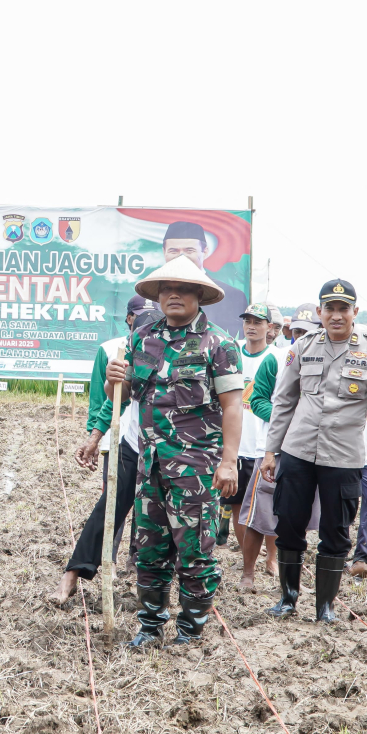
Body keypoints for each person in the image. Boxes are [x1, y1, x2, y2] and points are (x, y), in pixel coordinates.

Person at [107, 256, 243, 647]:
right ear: (158, 297)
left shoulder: (219, 344)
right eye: (167, 289)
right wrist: (115, 380)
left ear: (199, 295)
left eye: (183, 289)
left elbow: (233, 407)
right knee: (148, 550)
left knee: (195, 553)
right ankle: (149, 627)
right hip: (149, 465)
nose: (174, 295)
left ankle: (190, 630)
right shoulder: (141, 337)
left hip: (195, 468)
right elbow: (125, 395)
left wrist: (228, 462)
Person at [260, 279, 367, 622]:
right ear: (319, 312)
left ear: (355, 312)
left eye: (344, 309)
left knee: (335, 529)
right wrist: (272, 451)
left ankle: (325, 606)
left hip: (343, 455)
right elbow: (284, 401)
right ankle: (287, 598)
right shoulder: (303, 345)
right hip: (298, 450)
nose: (337, 315)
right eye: (330, 308)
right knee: (289, 523)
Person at [50, 297, 158, 607]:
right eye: (140, 322)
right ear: (130, 322)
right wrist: (94, 437)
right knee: (108, 505)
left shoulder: (181, 347)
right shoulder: (123, 351)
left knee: (155, 517)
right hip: (133, 442)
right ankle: (73, 573)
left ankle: (150, 588)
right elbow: (115, 399)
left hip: (171, 451)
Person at [236, 303, 321, 590]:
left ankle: (287, 577)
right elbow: (257, 399)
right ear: (288, 332)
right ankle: (248, 573)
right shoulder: (276, 360)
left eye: (308, 332)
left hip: (308, 452)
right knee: (258, 515)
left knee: (294, 517)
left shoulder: (328, 362)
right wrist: (284, 418)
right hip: (272, 449)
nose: (301, 337)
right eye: (296, 332)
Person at [219, 304, 273, 557]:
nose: (251, 326)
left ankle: (272, 558)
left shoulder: (275, 358)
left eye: (258, 322)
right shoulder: (230, 354)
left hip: (263, 444)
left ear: (269, 327)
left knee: (270, 504)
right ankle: (246, 556)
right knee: (237, 503)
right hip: (236, 445)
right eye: (247, 321)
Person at [160, 221, 249, 335]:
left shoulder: (231, 296)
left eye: (189, 250)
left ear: (205, 251)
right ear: (164, 252)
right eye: (174, 251)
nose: (181, 256)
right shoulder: (151, 295)